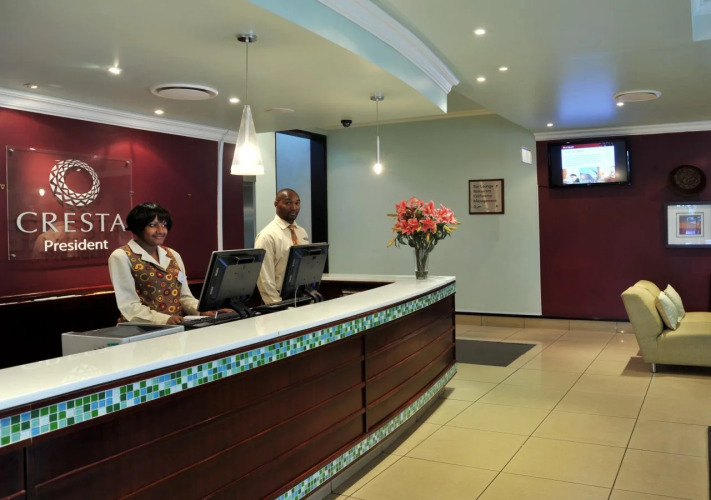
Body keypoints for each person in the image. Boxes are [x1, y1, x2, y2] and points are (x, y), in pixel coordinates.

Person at [108, 202, 230, 324]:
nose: (161, 230)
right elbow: (129, 306)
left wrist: (204, 311)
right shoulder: (121, 256)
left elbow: (184, 297)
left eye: (164, 225)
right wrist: (165, 320)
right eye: (152, 225)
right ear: (137, 227)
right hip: (140, 329)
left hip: (175, 327)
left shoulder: (173, 254)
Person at [254, 188, 309, 304]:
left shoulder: (302, 232)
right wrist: (277, 305)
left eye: (297, 203)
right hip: (278, 299)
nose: (294, 207)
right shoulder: (267, 236)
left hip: (300, 296)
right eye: (288, 203)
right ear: (276, 204)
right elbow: (265, 278)